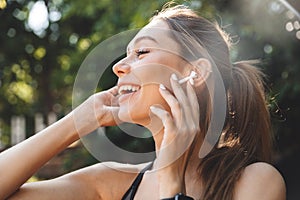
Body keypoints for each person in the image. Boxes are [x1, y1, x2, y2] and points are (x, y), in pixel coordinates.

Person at [0, 4, 286, 200]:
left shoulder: (253, 182)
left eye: (142, 51)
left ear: (195, 72)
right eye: (127, 53)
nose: (119, 67)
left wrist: (172, 185)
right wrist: (81, 120)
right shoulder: (111, 183)